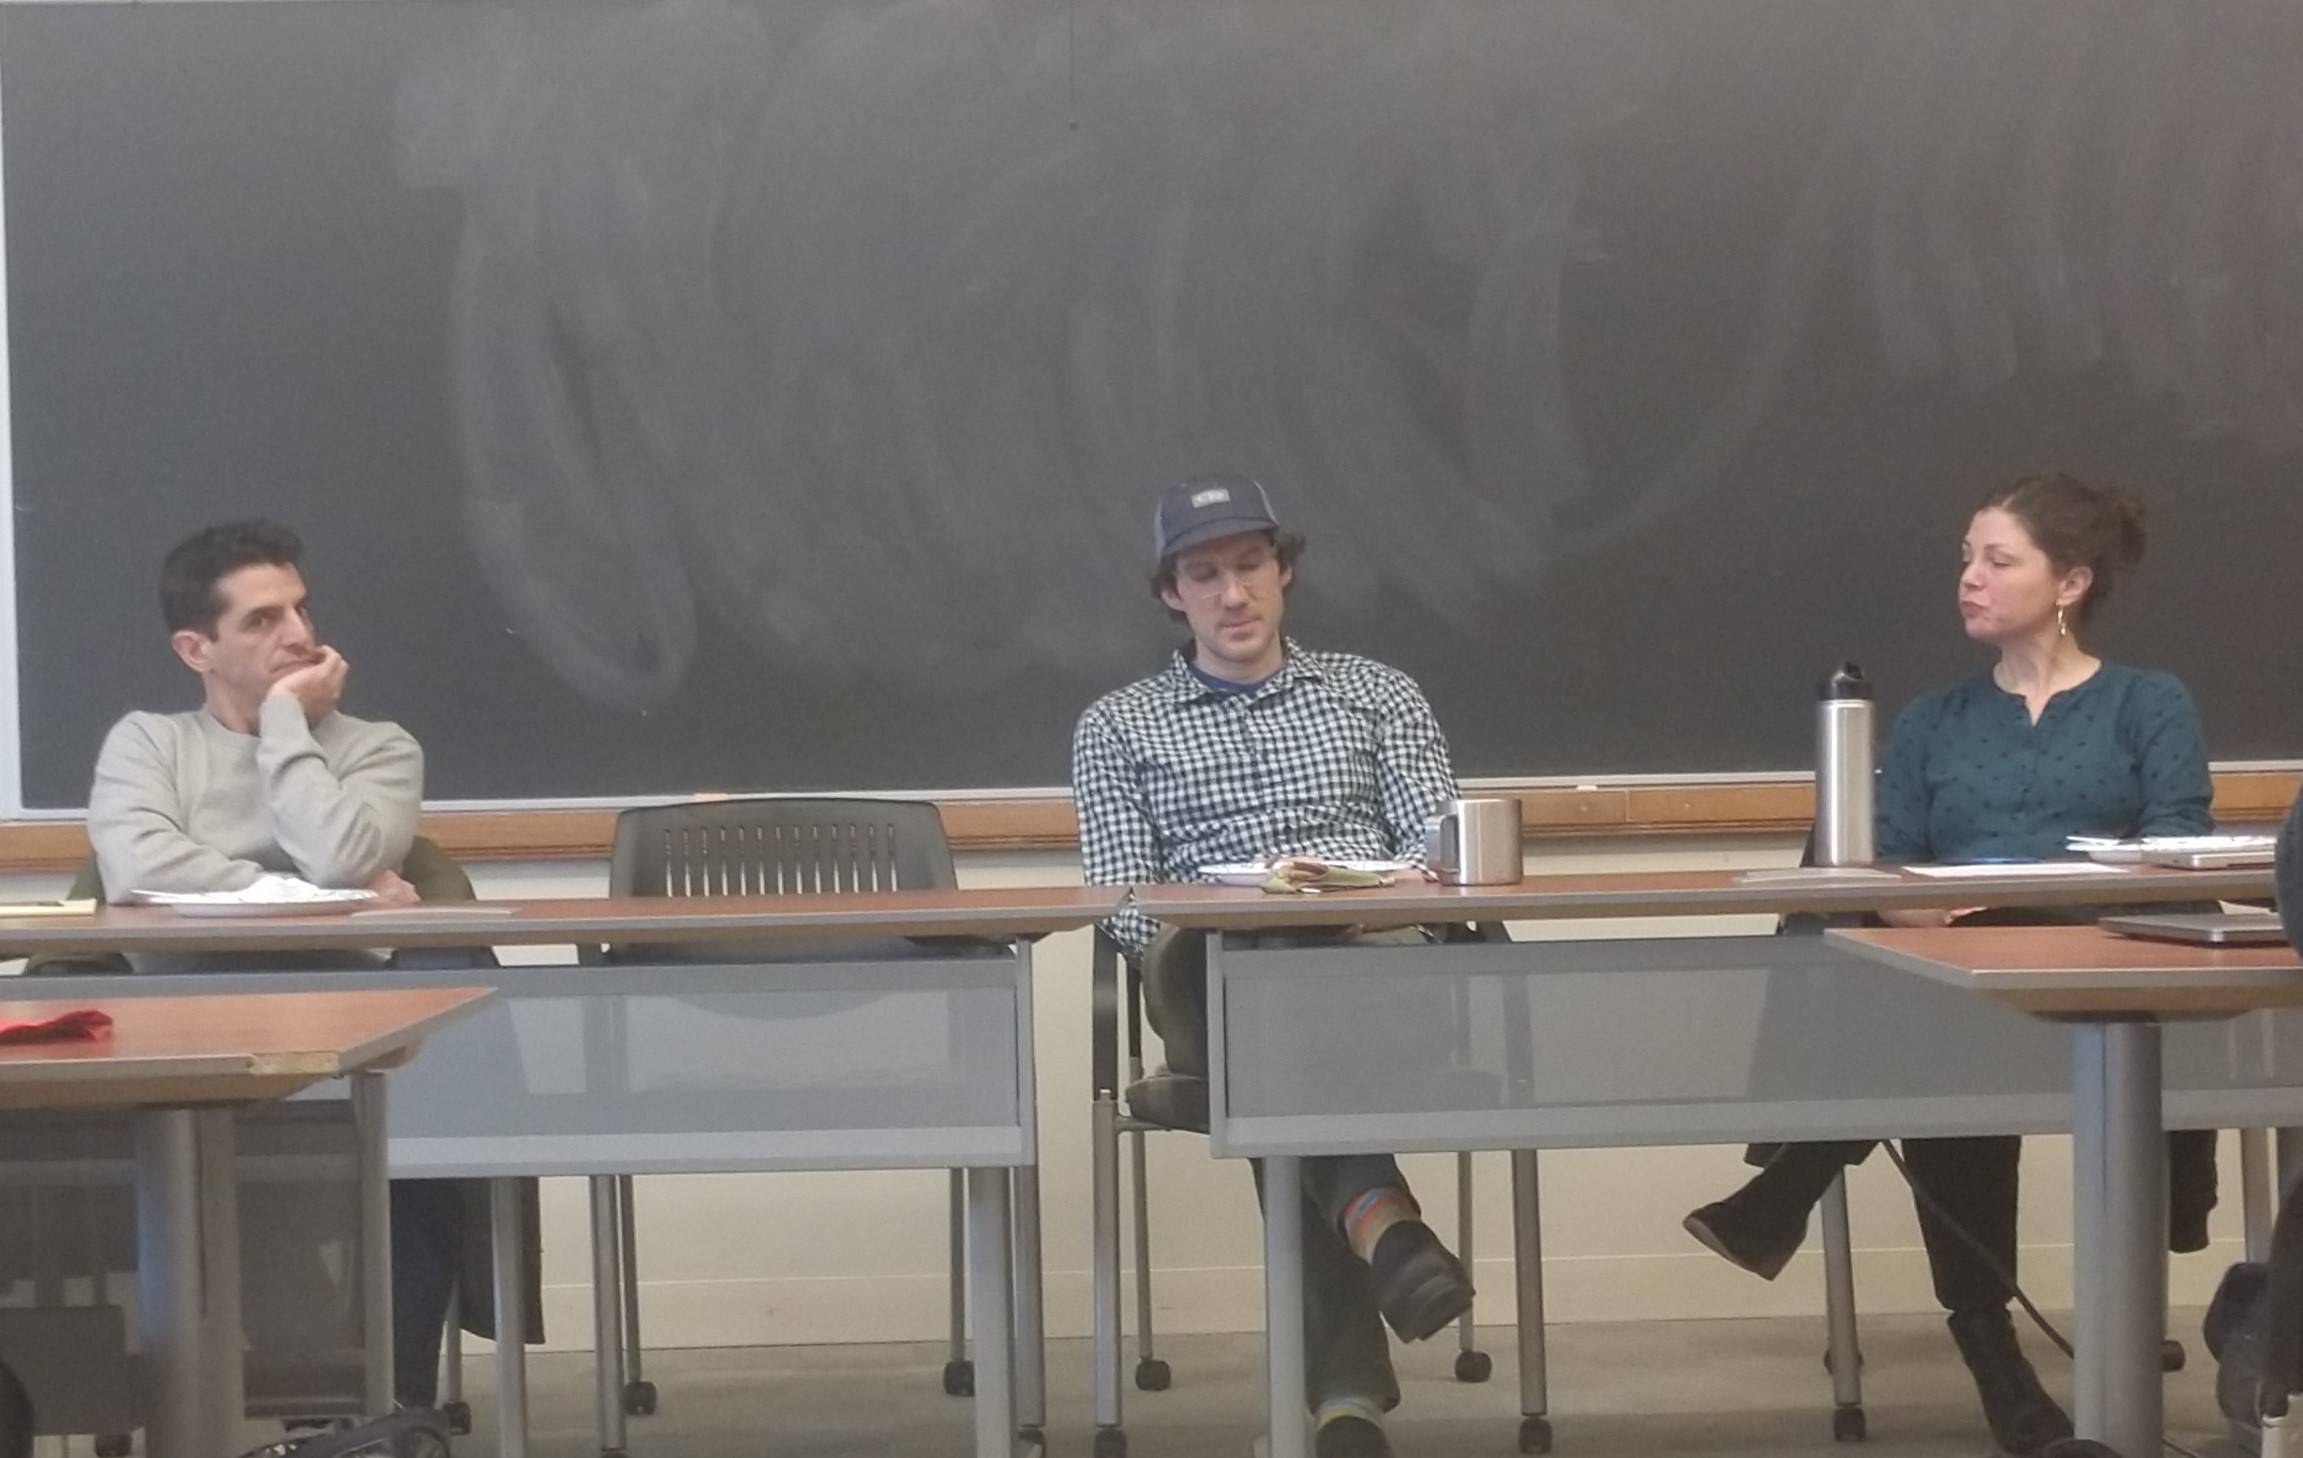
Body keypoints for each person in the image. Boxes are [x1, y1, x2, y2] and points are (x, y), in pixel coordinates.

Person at [1682, 474, 2217, 1457]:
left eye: (1995, 560)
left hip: (2098, 984)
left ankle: (1788, 1183)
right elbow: (1881, 854)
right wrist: (1909, 901)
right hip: (1957, 989)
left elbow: (2175, 844)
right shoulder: (1933, 719)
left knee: (1928, 1053)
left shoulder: (2146, 702)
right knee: (1926, 1038)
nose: (1966, 579)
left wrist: (2025, 892)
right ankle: (1994, 1364)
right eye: (1964, 559)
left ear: (2069, 583)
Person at [1071, 476, 1474, 1458]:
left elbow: (1442, 857)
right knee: (1250, 984)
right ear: (1171, 593)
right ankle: (1382, 1234)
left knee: (1280, 1077)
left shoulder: (1377, 694)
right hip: (1207, 976)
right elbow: (1122, 900)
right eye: (1202, 575)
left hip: (1368, 965)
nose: (1231, 595)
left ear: (1283, 569)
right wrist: (1235, 923)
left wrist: (1362, 903)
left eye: (1248, 566)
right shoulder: (1116, 725)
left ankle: (1345, 1397)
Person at [84, 519, 462, 1410]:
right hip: (179, 1031)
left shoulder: (377, 747)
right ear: (195, 648)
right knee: (250, 1181)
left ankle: (381, 1412)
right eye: (260, 620)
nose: (298, 633)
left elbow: (336, 850)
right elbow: (139, 864)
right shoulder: (148, 743)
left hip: (347, 1020)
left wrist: (287, 722)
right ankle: (297, 1401)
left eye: (299, 608)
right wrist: (314, 894)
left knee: (417, 1164)